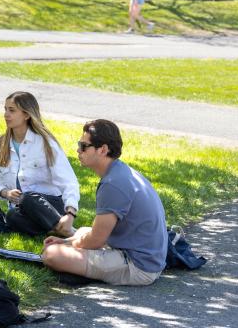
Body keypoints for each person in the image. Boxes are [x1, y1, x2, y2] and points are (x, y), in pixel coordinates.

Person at [42, 119, 167, 286]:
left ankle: (82, 270)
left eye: (83, 146)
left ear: (103, 149)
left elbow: (96, 241)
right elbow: (98, 234)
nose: (78, 150)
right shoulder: (121, 172)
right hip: (147, 257)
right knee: (82, 231)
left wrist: (68, 246)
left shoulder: (112, 184)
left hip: (138, 267)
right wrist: (67, 241)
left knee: (52, 254)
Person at [0, 91, 80, 237]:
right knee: (12, 216)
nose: (6, 114)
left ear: (26, 115)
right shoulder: (0, 144)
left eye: (12, 110)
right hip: (21, 208)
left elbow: (69, 182)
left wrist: (70, 213)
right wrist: (6, 193)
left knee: (28, 198)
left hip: (51, 205)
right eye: (5, 109)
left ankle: (67, 230)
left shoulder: (46, 143)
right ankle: (57, 230)